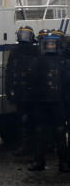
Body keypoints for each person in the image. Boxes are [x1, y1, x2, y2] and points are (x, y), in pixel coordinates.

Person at [27, 30, 68, 172]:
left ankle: (63, 162)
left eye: (53, 44)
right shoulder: (38, 61)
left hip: (58, 102)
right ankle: (39, 161)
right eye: (48, 44)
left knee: (60, 132)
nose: (50, 46)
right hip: (42, 103)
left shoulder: (63, 61)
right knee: (40, 132)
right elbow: (32, 82)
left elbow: (67, 83)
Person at [5, 26, 37, 156]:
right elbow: (9, 72)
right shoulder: (15, 52)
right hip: (20, 91)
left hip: (33, 92)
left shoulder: (36, 51)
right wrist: (9, 90)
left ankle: (36, 147)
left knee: (35, 120)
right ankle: (24, 146)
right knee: (22, 120)